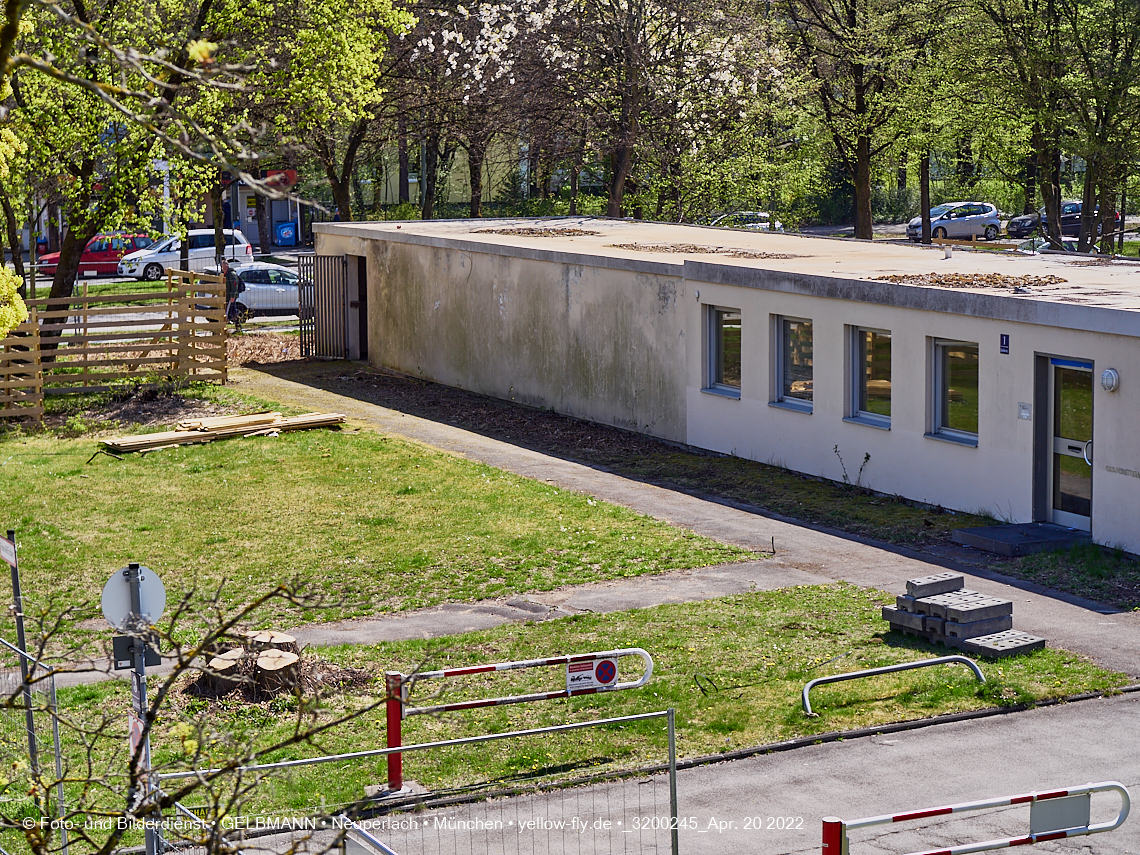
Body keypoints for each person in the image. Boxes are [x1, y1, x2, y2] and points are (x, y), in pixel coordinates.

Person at [221, 259, 243, 331]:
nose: (222, 268)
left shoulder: (232, 274)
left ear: (226, 266)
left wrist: (233, 296)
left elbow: (234, 286)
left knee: (233, 311)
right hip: (227, 296)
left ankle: (238, 326)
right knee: (230, 311)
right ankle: (228, 326)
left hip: (231, 296)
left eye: (223, 266)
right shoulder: (225, 274)